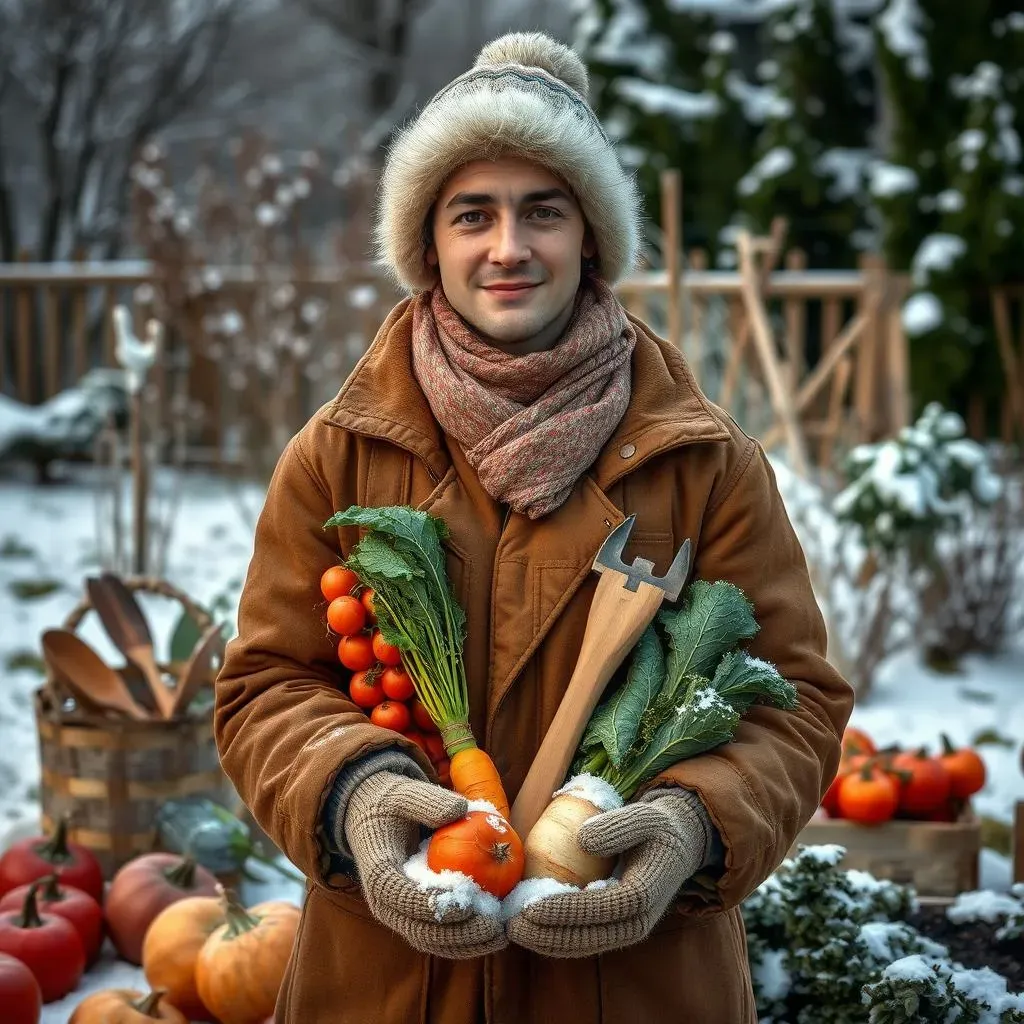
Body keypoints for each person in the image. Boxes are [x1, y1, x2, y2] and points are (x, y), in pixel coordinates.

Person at [215, 31, 854, 1024]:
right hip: (388, 983)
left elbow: (794, 698)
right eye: (474, 214)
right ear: (428, 243)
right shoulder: (337, 455)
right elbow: (265, 683)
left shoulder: (705, 462)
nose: (508, 248)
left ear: (590, 236)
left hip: (635, 984)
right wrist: (358, 800)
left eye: (542, 212)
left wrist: (689, 826)